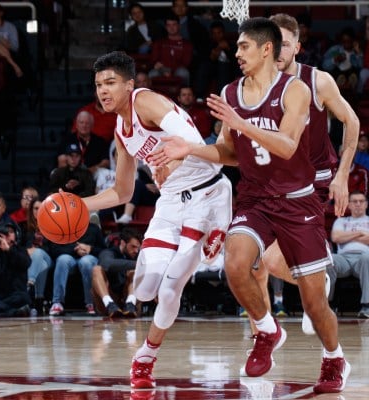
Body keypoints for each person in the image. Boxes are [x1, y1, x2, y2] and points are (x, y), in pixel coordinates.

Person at [152, 18, 349, 393]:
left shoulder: (295, 91)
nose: (236, 52)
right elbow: (229, 152)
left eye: (243, 46)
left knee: (313, 303)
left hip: (297, 201)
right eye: (237, 47)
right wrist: (189, 150)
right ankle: (266, 330)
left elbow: (288, 146)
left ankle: (334, 357)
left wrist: (242, 122)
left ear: (266, 49)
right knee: (235, 263)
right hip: (256, 199)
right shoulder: (230, 92)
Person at [87, 51, 232, 390]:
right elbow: (123, 192)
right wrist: (79, 204)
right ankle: (212, 246)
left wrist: (175, 161)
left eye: (110, 83)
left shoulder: (146, 101)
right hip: (170, 202)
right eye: (98, 85)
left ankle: (146, 356)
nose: (103, 91)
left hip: (205, 192)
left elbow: (191, 138)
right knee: (147, 288)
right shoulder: (122, 133)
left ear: (129, 84)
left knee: (170, 289)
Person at [253, 13, 359, 338]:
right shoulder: (255, 86)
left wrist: (342, 176)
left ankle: (317, 280)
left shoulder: (318, 81)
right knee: (254, 260)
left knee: (269, 260)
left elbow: (351, 122)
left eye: (284, 44)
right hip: (275, 184)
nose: (277, 51)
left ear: (297, 47)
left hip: (314, 182)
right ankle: (267, 334)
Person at [329, 190, 369, 319]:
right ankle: (327, 304)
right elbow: (336, 237)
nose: (358, 204)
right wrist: (361, 232)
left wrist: (348, 236)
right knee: (329, 259)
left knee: (367, 258)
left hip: (366, 258)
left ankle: (366, 306)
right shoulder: (340, 221)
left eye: (361, 201)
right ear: (349, 205)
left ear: (366, 204)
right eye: (354, 201)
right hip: (344, 258)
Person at [47, 222, 106, 316]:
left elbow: (103, 250)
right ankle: (57, 302)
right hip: (69, 257)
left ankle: (91, 303)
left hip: (89, 256)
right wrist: (76, 249)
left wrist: (90, 248)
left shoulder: (93, 228)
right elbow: (54, 249)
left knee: (86, 262)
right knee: (62, 259)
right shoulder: (62, 227)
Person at [91, 228, 142, 318]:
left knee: (134, 272)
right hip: (110, 299)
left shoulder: (139, 256)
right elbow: (107, 264)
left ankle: (130, 304)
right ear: (123, 243)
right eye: (133, 247)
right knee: (97, 269)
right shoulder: (109, 252)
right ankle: (109, 304)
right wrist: (137, 264)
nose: (136, 251)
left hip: (129, 297)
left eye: (138, 248)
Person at [22, 196, 53, 313]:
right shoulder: (24, 227)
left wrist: (36, 250)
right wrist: (27, 250)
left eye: (41, 208)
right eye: (35, 208)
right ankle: (39, 299)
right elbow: (19, 246)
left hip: (48, 257)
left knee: (39, 254)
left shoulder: (53, 226)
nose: (38, 211)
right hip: (30, 260)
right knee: (42, 265)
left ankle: (29, 285)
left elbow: (54, 248)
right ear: (31, 210)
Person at [148, 11, 193, 86]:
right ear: (165, 27)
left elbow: (186, 63)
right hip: (161, 70)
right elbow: (154, 60)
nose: (171, 28)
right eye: (168, 25)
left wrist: (170, 70)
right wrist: (163, 69)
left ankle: (183, 96)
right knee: (152, 73)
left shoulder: (187, 44)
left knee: (183, 72)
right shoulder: (159, 42)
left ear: (179, 25)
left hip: (178, 70)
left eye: (174, 24)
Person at [57, 110, 110, 174]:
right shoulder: (67, 140)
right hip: (71, 173)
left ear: (92, 126)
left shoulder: (100, 141)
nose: (84, 126)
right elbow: (62, 161)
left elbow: (106, 162)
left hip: (93, 173)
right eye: (81, 122)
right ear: (76, 124)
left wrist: (93, 169)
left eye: (87, 123)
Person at [207, 20, 238, 94]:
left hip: (231, 69)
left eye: (219, 33)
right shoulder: (209, 45)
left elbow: (236, 60)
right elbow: (210, 61)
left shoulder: (232, 44)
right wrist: (218, 48)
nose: (216, 36)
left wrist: (228, 48)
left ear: (224, 33)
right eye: (214, 33)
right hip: (215, 70)